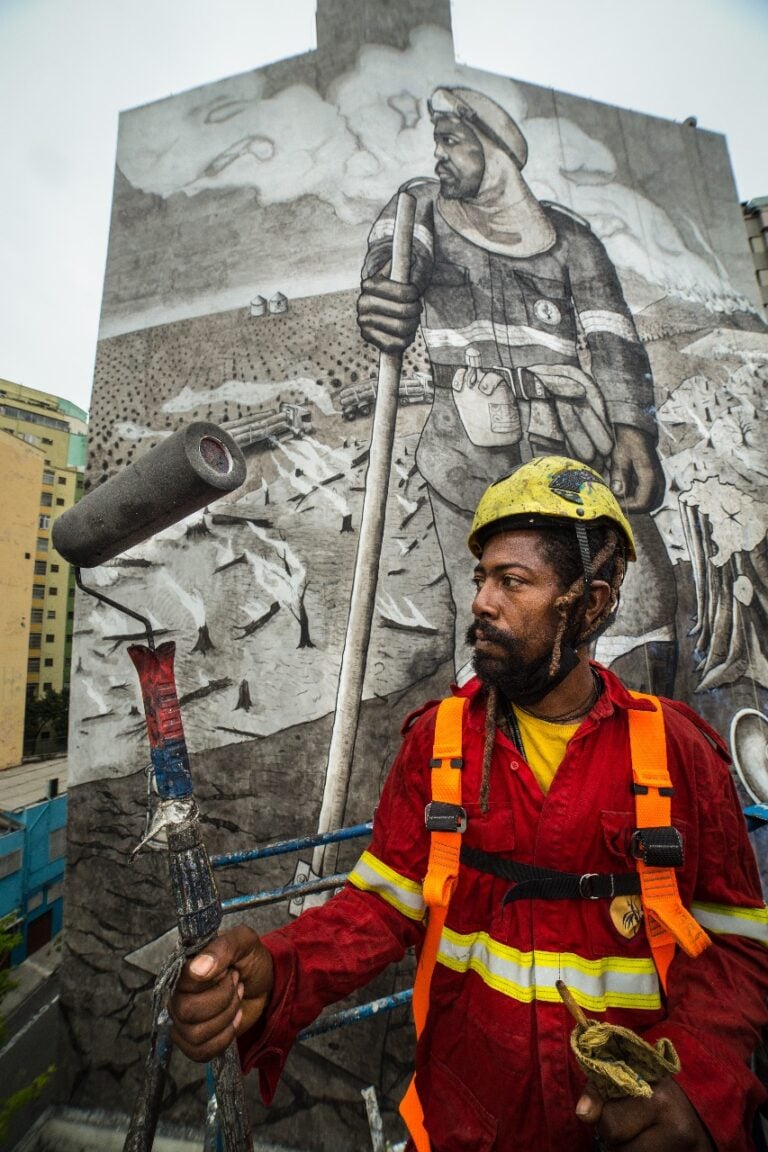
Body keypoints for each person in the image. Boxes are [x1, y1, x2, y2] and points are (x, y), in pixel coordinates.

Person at [169, 456, 768, 1151]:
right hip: (465, 1126)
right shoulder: (439, 742)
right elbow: (380, 907)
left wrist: (695, 1084)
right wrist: (278, 968)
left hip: (624, 1133)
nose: (482, 600)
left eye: (513, 581)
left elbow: (738, 946)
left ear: (592, 605)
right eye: (482, 576)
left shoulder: (676, 753)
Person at [357, 85, 678, 694]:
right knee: (491, 620)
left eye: (451, 142)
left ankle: (634, 751)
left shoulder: (571, 238)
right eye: (436, 143)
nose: (439, 157)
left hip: (572, 452)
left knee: (637, 602)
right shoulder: (420, 210)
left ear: (494, 148)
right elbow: (390, 276)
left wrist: (634, 431)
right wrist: (384, 305)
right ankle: (492, 768)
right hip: (467, 456)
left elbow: (614, 337)